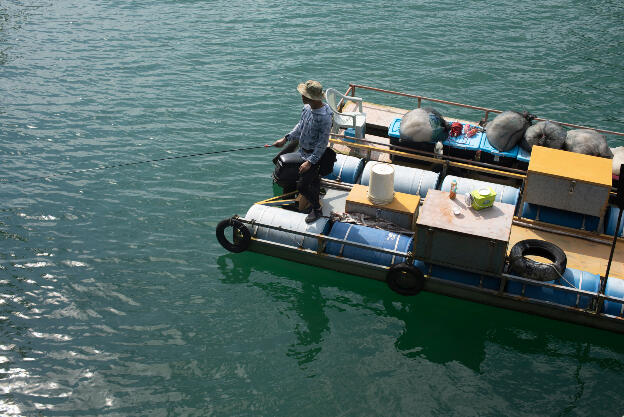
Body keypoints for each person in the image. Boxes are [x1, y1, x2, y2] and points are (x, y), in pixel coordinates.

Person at [272, 80, 333, 223]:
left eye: (304, 95)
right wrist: (285, 138)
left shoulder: (324, 118)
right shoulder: (306, 108)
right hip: (302, 150)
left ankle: (317, 208)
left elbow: (322, 144)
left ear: (313, 98)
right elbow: (300, 126)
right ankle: (314, 184)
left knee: (302, 186)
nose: (302, 97)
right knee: (301, 176)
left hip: (314, 156)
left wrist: (310, 162)